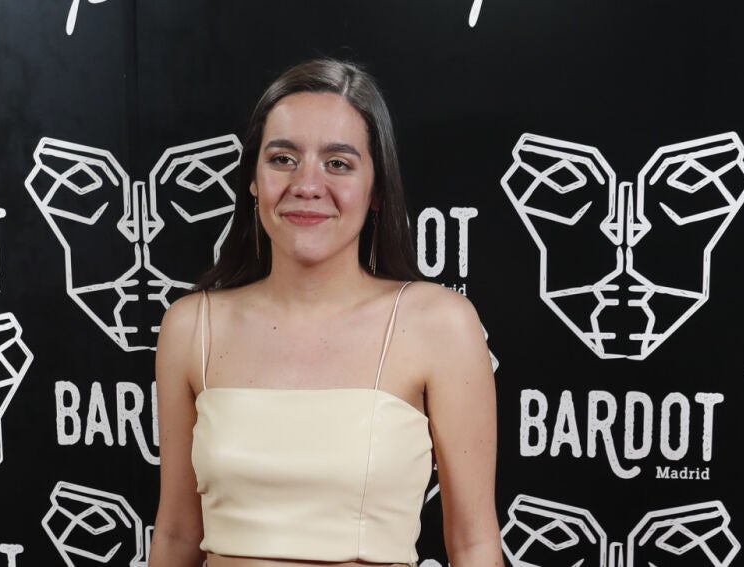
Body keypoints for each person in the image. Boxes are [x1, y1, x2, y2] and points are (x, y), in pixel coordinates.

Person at [149, 59, 502, 567]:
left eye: (338, 163)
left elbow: (474, 543)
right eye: (283, 159)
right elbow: (177, 534)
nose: (307, 184)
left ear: (377, 190)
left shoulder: (439, 324)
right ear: (253, 180)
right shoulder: (190, 327)